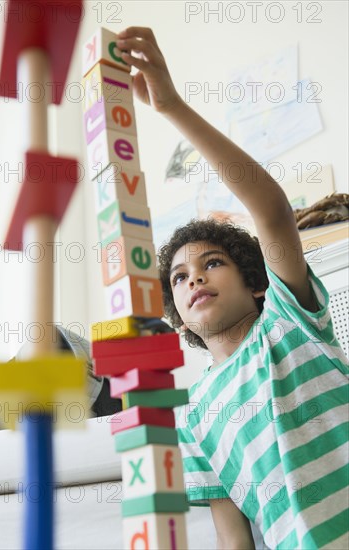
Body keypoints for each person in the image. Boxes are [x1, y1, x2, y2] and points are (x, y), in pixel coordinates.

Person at [115, 27, 349, 549]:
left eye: (212, 262)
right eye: (178, 276)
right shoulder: (194, 417)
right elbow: (232, 536)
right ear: (176, 310)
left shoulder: (289, 322)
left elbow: (271, 212)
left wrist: (171, 105)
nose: (193, 276)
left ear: (258, 284)